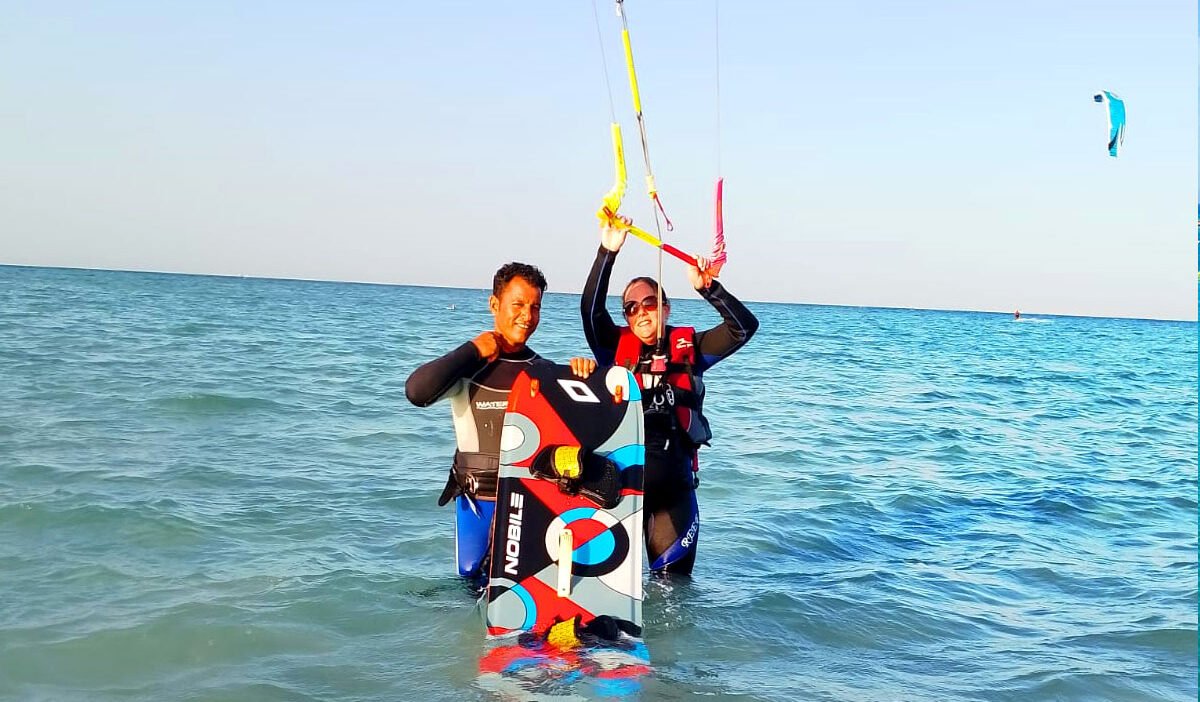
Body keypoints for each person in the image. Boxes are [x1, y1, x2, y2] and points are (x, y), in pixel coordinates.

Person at [580, 219, 759, 575]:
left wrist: (710, 289)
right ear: (627, 319)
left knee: (672, 595)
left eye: (649, 303)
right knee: (604, 588)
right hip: (617, 490)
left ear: (665, 308)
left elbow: (744, 328)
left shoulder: (691, 348)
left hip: (673, 495)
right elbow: (590, 310)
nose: (642, 312)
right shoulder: (612, 347)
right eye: (632, 308)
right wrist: (607, 252)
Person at [406, 262, 595, 586]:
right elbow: (416, 392)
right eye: (518, 304)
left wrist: (585, 375)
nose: (527, 315)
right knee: (470, 584)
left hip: (530, 501)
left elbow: (580, 433)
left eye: (535, 307)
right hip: (479, 502)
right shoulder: (467, 370)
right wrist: (472, 350)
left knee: (526, 591)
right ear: (494, 305)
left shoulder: (545, 371)